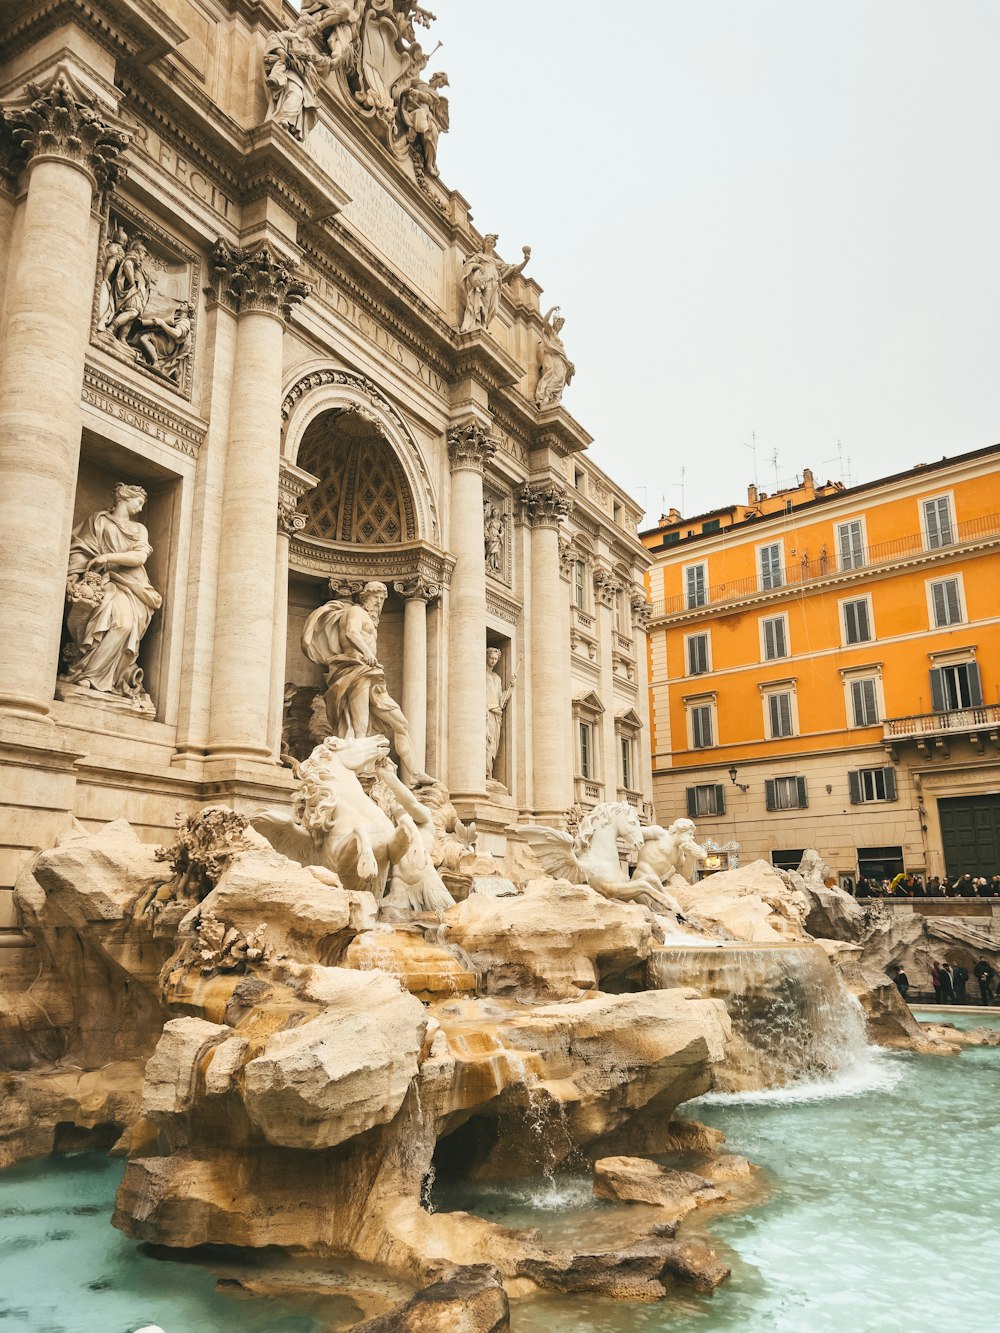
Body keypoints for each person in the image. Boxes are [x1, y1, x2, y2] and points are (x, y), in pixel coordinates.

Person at [301, 580, 432, 786]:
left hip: (371, 674)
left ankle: (414, 772)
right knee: (360, 725)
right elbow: (351, 632)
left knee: (401, 723)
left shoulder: (371, 620)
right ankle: (358, 777)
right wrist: (368, 652)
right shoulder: (356, 612)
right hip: (355, 670)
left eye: (382, 600)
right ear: (366, 597)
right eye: (377, 599)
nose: (379, 604)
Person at [61, 483, 162, 702]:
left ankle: (102, 677)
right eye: (139, 501)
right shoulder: (98, 521)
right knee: (98, 620)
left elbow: (139, 558)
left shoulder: (138, 529)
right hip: (103, 582)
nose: (141, 507)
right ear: (126, 497)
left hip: (133, 585)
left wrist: (108, 557)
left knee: (124, 625)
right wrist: (74, 574)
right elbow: (81, 548)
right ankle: (87, 674)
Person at [459, 234, 531, 332]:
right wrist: (480, 267)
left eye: (492, 243)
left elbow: (515, 270)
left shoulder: (497, 262)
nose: (490, 244)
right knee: (485, 302)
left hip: (495, 284)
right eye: (488, 242)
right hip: (485, 281)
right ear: (484, 244)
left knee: (494, 310)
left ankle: (484, 324)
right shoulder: (479, 256)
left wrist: (526, 260)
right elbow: (469, 264)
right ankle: (480, 324)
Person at [534, 306, 576, 409]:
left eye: (562, 324)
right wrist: (552, 309)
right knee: (557, 377)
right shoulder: (551, 331)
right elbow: (544, 321)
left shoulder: (557, 336)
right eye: (559, 323)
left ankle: (553, 399)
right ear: (554, 322)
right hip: (553, 358)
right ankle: (545, 397)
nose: (560, 326)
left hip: (560, 359)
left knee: (561, 378)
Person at [485, 646, 516, 782]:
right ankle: (485, 773)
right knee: (486, 741)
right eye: (491, 658)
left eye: (496, 659)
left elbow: (501, 699)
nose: (493, 661)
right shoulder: (481, 674)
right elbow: (477, 694)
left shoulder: (497, 678)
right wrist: (492, 707)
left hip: (496, 716)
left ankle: (489, 773)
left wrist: (512, 687)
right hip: (486, 713)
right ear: (486, 657)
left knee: (493, 746)